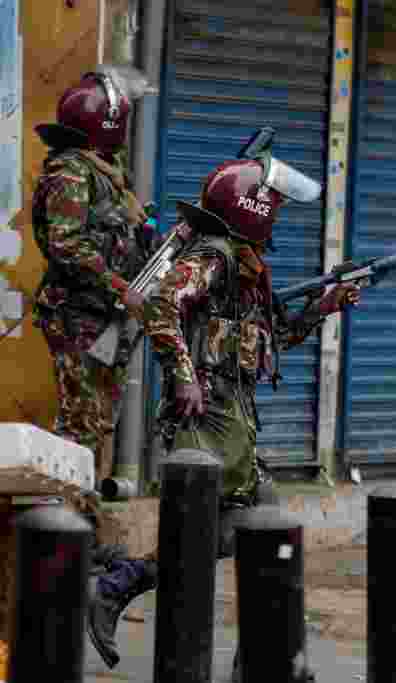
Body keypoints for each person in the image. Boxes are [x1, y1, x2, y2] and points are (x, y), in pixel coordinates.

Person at [86, 148, 361, 673]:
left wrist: (324, 306)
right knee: (218, 537)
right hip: (206, 417)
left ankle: (264, 658)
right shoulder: (214, 256)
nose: (277, 213)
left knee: (266, 530)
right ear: (253, 210)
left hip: (235, 418)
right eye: (272, 206)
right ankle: (121, 589)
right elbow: (164, 304)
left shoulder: (247, 268)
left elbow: (271, 337)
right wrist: (185, 376)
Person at [30, 66, 182, 484]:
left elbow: (115, 239)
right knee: (80, 428)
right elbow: (67, 244)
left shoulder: (106, 172)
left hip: (102, 316)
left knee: (95, 425)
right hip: (78, 315)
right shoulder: (72, 172)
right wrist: (121, 288)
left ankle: (82, 531)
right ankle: (65, 532)